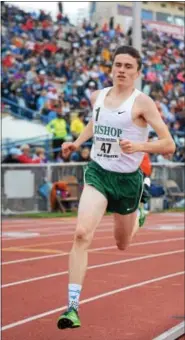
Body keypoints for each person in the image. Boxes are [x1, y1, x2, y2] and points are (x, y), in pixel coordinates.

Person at [57, 45, 175, 329]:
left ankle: (139, 216)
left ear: (137, 72)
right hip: (98, 173)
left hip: (126, 181)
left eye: (128, 66)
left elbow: (169, 145)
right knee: (82, 234)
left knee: (123, 244)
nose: (121, 70)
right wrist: (77, 143)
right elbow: (94, 124)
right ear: (112, 68)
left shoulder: (143, 103)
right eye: (117, 65)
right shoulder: (97, 96)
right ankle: (72, 308)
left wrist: (139, 146)